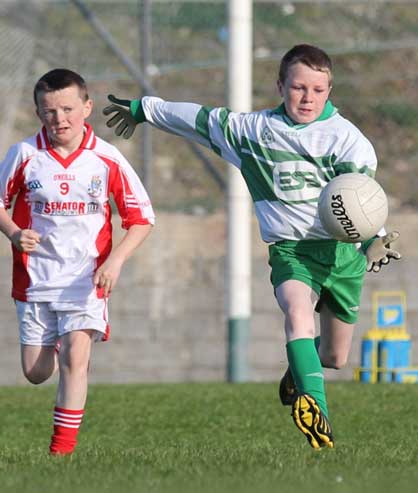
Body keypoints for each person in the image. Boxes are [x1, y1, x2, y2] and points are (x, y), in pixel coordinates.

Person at [102, 44, 401, 450]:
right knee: (297, 313)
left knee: (335, 357)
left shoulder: (348, 141)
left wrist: (374, 237)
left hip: (341, 255)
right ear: (280, 85)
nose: (307, 98)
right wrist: (143, 108)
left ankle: (301, 368)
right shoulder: (254, 130)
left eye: (317, 89)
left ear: (330, 89)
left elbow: (358, 202)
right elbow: (196, 118)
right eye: (298, 87)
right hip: (291, 251)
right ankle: (317, 415)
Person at [0, 68, 154, 455]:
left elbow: (142, 219)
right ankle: (62, 347)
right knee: (36, 372)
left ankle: (61, 453)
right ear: (38, 112)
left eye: (68, 109)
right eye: (50, 111)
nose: (60, 119)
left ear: (87, 107)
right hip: (35, 278)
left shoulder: (107, 159)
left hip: (87, 279)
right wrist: (13, 232)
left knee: (76, 355)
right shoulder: (25, 155)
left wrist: (116, 262)